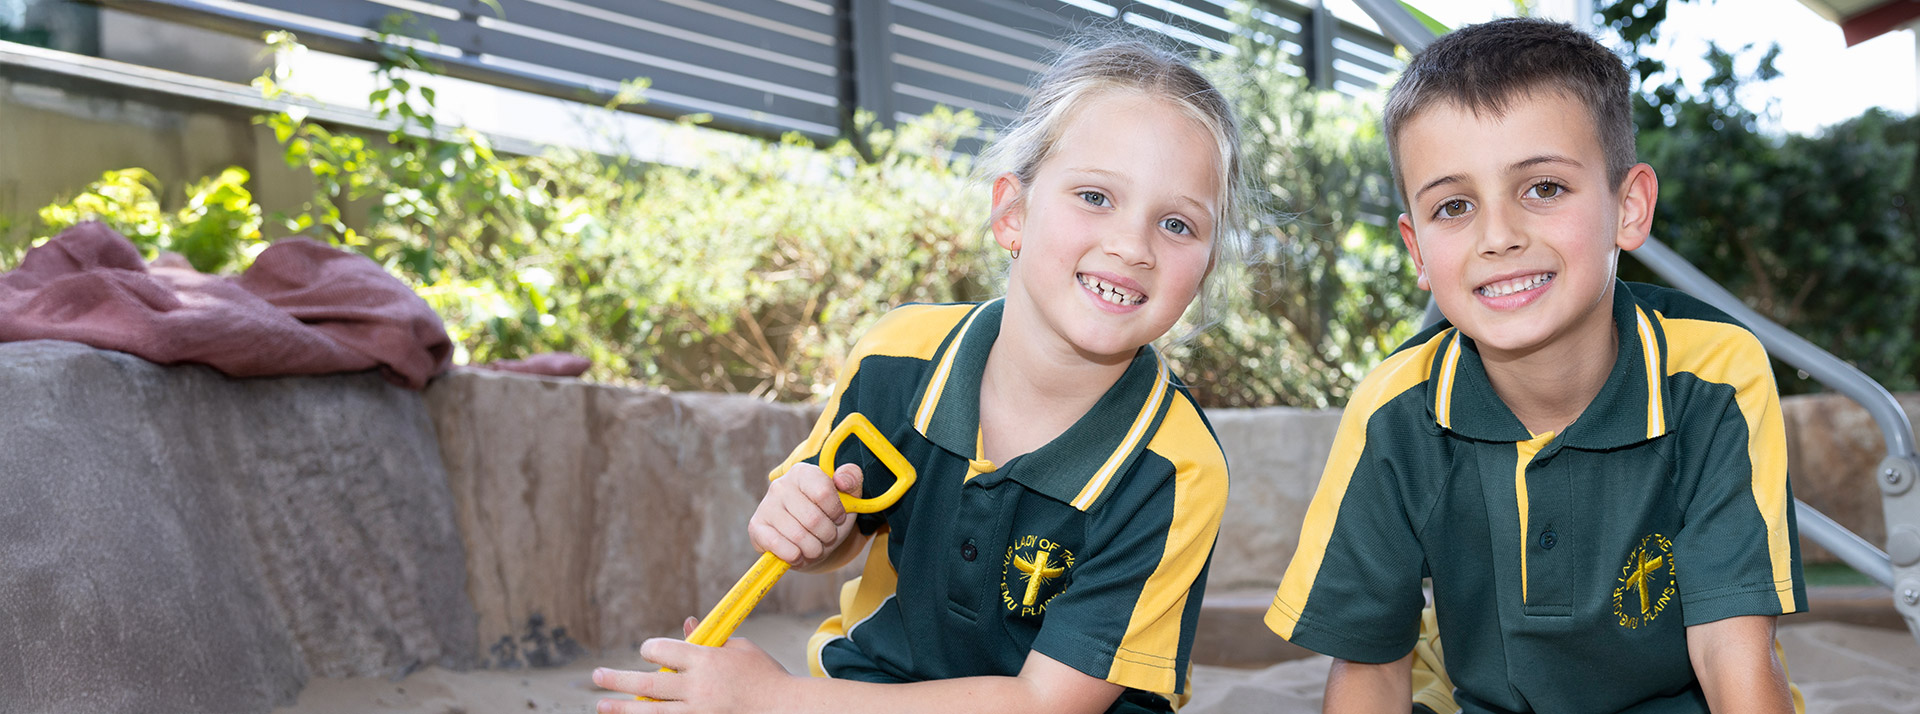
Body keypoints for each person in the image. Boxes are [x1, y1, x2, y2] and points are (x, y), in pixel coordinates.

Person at [594, 32, 1248, 714]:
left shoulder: (1175, 469)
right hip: (872, 687)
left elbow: (1047, 702)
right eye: (1094, 196)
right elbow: (834, 534)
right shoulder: (899, 354)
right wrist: (809, 522)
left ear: (1203, 269)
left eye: (1176, 224)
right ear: (1012, 212)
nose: (1130, 245)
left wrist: (772, 699)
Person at [1266, 17, 1806, 714]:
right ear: (1417, 251)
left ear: (1629, 206)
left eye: (1543, 188)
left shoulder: (1714, 376)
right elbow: (1370, 667)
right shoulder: (1396, 409)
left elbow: (1731, 648)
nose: (1498, 237)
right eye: (1454, 206)